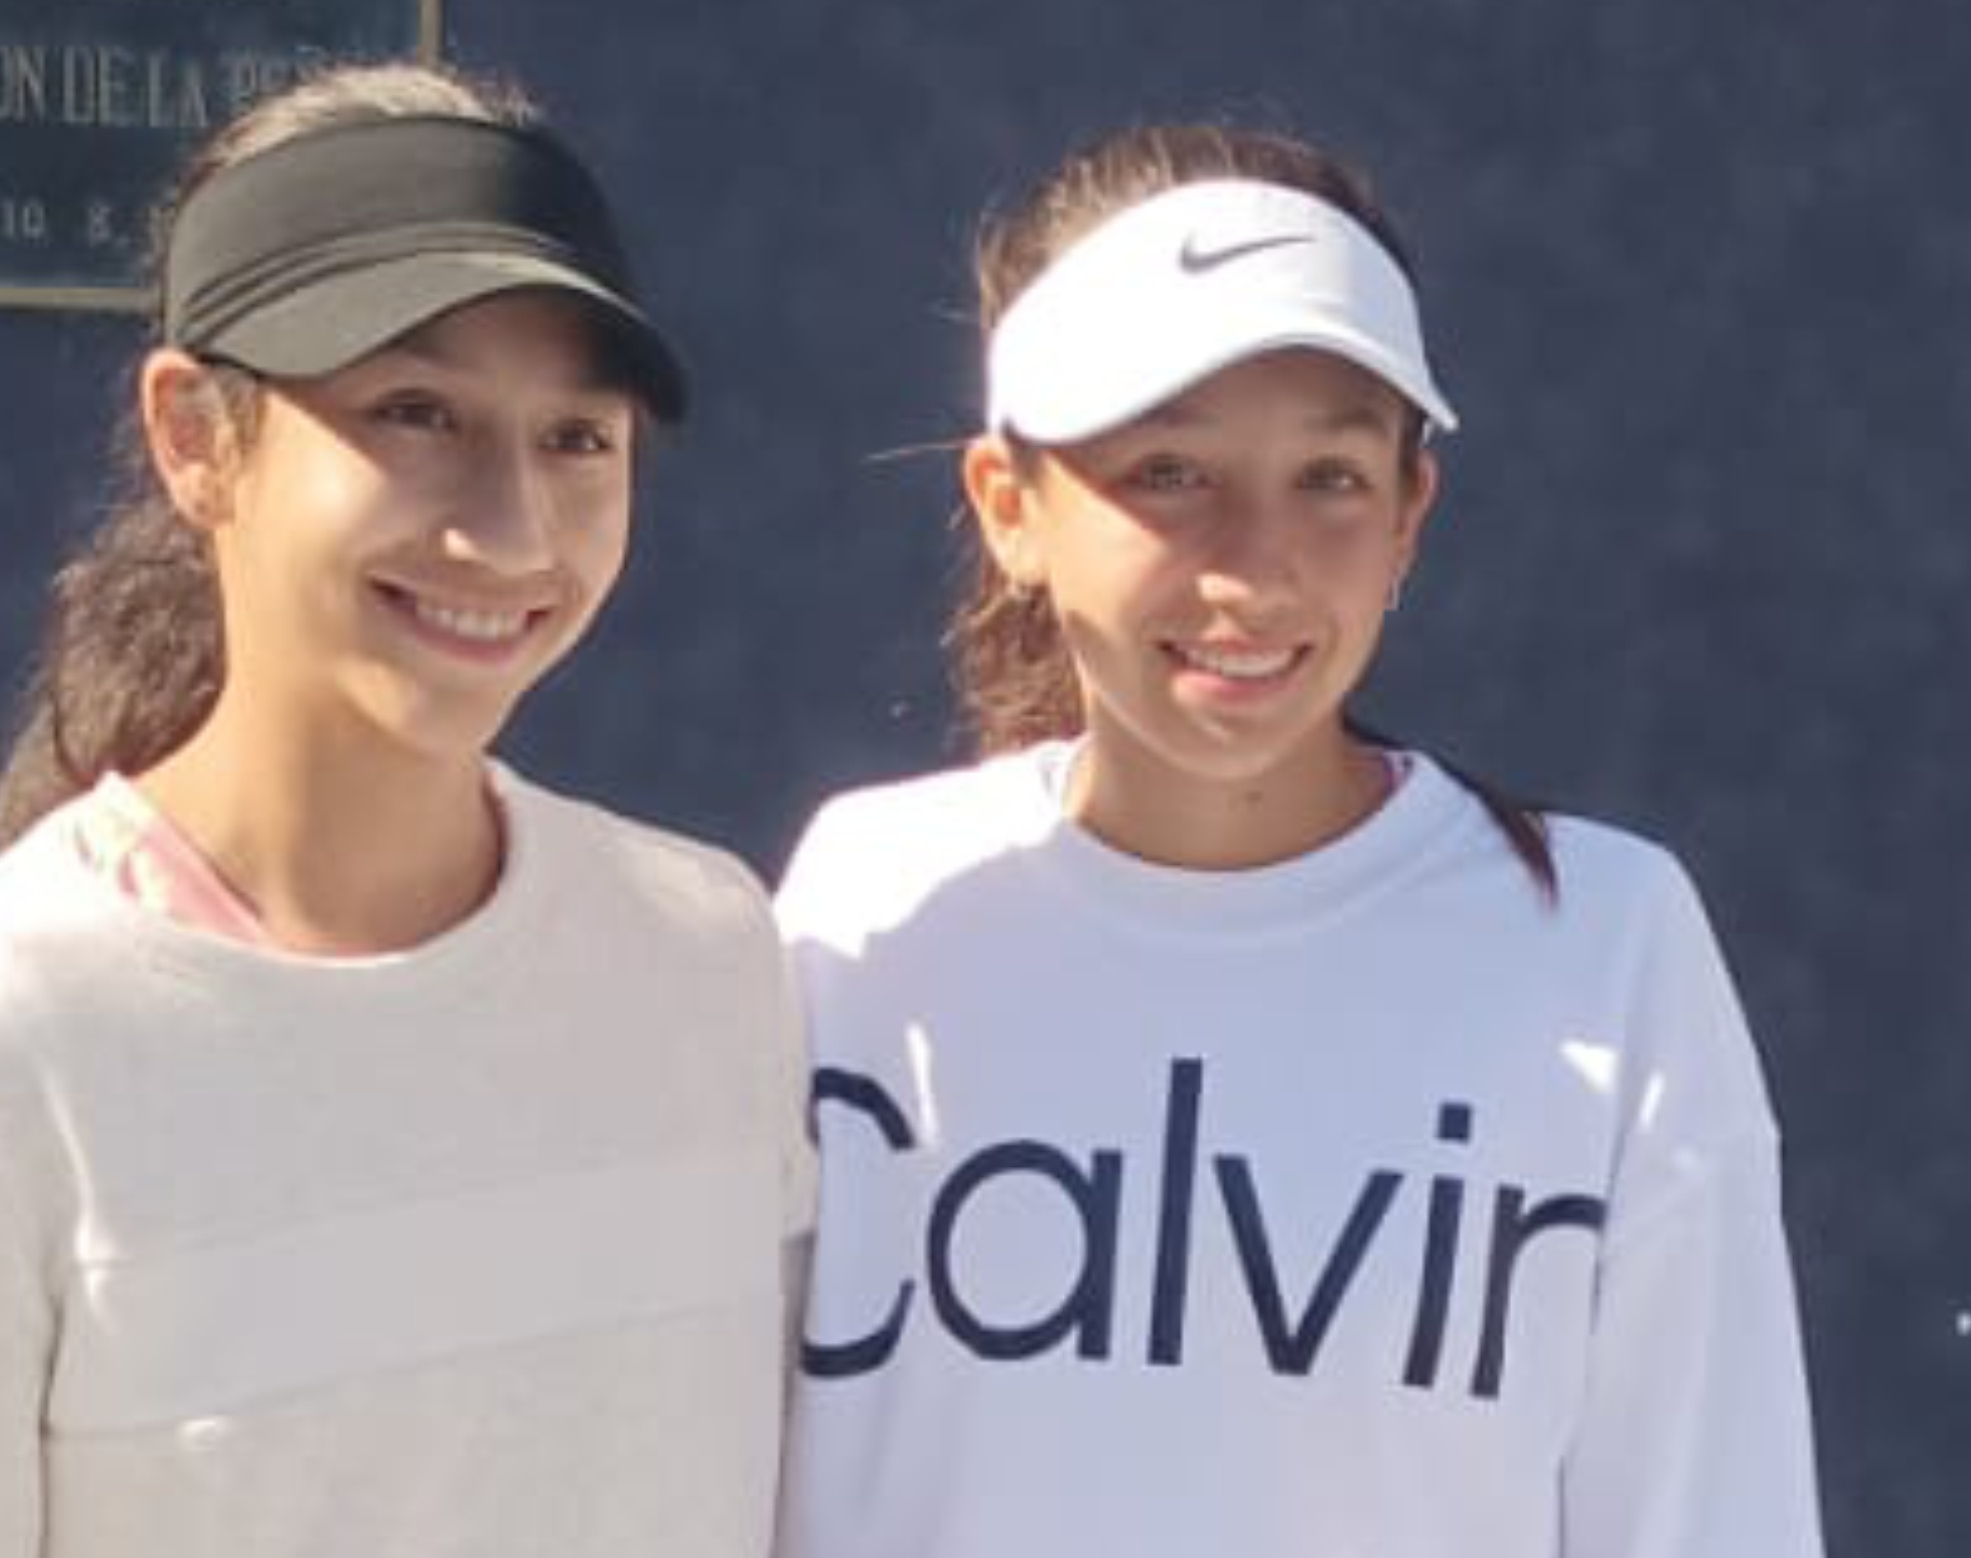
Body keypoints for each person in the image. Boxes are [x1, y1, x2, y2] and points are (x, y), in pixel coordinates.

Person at [0, 60, 811, 1558]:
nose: (512, 527)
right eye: (416, 412)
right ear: (197, 435)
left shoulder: (711, 956)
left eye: (578, 438)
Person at [772, 124, 1824, 1557]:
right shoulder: (863, 902)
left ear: (1409, 516)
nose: (1253, 569)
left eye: (1328, 478)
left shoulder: (1608, 942)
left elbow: (1712, 1517)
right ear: (1010, 508)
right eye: (1168, 471)